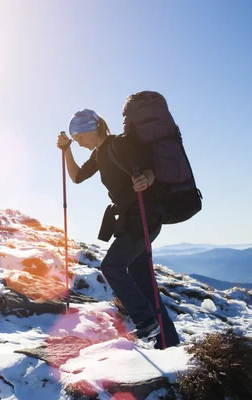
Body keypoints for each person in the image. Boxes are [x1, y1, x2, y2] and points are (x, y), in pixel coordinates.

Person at [56, 109, 180, 349]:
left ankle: (146, 322)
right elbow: (77, 177)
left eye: (79, 137)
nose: (79, 142)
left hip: (144, 216)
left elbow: (149, 167)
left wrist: (146, 179)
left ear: (91, 129)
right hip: (129, 219)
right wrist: (66, 150)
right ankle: (169, 343)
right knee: (143, 282)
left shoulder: (120, 143)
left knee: (111, 265)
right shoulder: (99, 155)